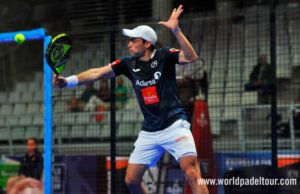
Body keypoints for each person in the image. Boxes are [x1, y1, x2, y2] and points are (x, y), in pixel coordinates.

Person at [53, 5, 209, 194]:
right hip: (150, 131)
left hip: (175, 125)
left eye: (133, 40)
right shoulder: (127, 64)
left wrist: (175, 29)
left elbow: (191, 56)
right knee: (131, 180)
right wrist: (66, 82)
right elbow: (96, 73)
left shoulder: (164, 56)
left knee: (192, 173)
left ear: (147, 43)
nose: (129, 44)